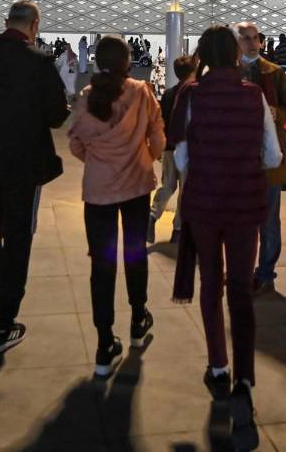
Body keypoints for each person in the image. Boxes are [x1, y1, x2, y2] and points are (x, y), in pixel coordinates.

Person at [170, 25, 283, 452]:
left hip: (204, 203)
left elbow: (180, 154)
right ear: (235, 54)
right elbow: (271, 156)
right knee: (240, 289)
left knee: (210, 286)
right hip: (245, 203)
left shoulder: (190, 93)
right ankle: (244, 379)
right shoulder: (253, 94)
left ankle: (217, 366)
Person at [0, 0, 70, 354]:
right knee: (18, 234)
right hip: (23, 162)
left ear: (6, 21)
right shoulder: (39, 62)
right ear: (34, 25)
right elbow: (56, 116)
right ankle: (5, 323)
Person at [68, 35, 165, 377]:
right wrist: (144, 159)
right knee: (135, 253)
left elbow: (76, 144)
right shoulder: (141, 92)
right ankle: (139, 319)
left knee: (102, 265)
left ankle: (104, 342)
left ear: (96, 60)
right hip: (137, 186)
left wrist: (98, 163)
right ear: (127, 62)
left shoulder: (86, 98)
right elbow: (158, 137)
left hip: (98, 192)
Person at [234, 22, 286, 297]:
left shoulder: (273, 72)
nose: (251, 43)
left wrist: (277, 114)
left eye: (254, 38)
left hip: (268, 156)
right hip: (237, 159)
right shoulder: (228, 72)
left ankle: (265, 273)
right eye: (245, 38)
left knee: (269, 220)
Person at [148, 54, 196, 244]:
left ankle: (151, 216)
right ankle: (178, 230)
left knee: (167, 185)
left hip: (169, 146)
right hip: (187, 148)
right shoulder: (194, 92)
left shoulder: (168, 93)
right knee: (185, 190)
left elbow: (161, 121)